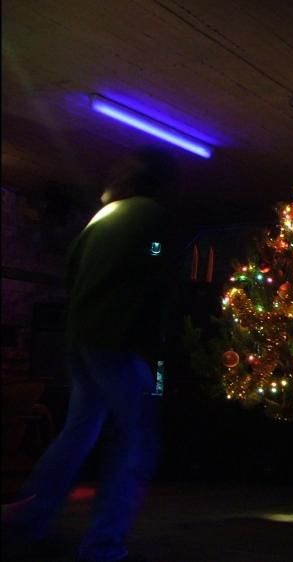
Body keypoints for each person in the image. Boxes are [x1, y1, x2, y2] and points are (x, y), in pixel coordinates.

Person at [3, 147, 177, 562]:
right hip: (115, 341)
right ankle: (104, 544)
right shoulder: (151, 216)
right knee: (136, 439)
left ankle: (28, 520)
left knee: (78, 432)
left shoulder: (100, 219)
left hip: (80, 341)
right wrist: (151, 338)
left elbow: (71, 272)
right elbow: (154, 272)